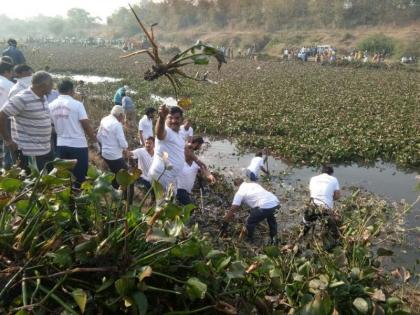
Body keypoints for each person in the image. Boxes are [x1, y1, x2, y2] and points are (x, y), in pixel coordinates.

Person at [48, 79, 99, 188]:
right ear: (72, 90)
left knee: (63, 176)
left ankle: (67, 200)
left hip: (61, 145)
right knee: (80, 177)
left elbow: (51, 125)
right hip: (78, 145)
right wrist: (95, 141)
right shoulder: (77, 105)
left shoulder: (51, 105)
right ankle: (78, 201)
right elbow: (86, 125)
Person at [0, 71, 54, 173]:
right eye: (51, 84)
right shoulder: (22, 98)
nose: (52, 87)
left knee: (45, 182)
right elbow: (1, 116)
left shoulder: (43, 97)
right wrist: (8, 140)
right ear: (44, 85)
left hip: (45, 149)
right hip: (29, 152)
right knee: (31, 182)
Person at [223, 178, 280, 244]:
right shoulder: (254, 184)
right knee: (272, 222)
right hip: (276, 203)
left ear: (237, 186)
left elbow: (233, 208)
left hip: (265, 207)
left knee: (249, 222)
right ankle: (274, 241)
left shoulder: (240, 192)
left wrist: (225, 221)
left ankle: (249, 239)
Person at [148, 105, 185, 192]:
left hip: (169, 176)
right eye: (170, 118)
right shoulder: (167, 131)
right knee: (166, 203)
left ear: (181, 119)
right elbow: (159, 134)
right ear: (166, 119)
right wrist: (161, 118)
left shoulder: (178, 133)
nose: (173, 121)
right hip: (162, 175)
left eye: (177, 118)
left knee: (162, 202)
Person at [302, 165, 341, 238]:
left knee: (306, 223)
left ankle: (303, 236)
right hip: (326, 208)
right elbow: (337, 196)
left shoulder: (313, 178)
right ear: (331, 173)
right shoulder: (334, 179)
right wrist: (330, 199)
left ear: (321, 172)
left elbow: (312, 193)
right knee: (331, 230)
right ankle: (332, 241)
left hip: (313, 206)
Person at [97, 105, 129, 188]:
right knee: (126, 175)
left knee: (114, 173)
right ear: (120, 115)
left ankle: (114, 191)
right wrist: (126, 147)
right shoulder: (117, 124)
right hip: (114, 156)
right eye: (123, 116)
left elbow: (99, 136)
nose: (123, 119)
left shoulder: (104, 119)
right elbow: (123, 143)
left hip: (105, 153)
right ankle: (121, 196)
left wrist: (106, 144)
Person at [0, 60, 14, 169]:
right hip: (5, 119)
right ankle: (7, 170)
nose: (12, 74)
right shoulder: (11, 85)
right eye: (11, 72)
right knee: (7, 144)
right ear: (6, 72)